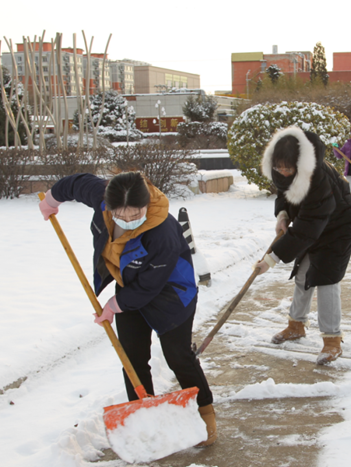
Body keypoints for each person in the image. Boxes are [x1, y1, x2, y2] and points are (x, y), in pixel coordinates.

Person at [38, 172, 217, 447]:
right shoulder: (105, 196)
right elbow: (74, 184)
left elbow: (150, 285)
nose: (129, 221)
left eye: (136, 215)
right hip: (130, 285)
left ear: (146, 204)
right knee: (131, 357)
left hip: (171, 293)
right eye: (121, 215)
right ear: (107, 204)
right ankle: (142, 416)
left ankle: (205, 413)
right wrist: (52, 200)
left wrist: (114, 305)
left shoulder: (163, 231)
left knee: (178, 355)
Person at [255, 126, 351, 365]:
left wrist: (271, 259)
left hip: (338, 227)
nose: (282, 171)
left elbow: (307, 227)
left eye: (287, 168)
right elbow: (284, 191)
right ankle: (296, 325)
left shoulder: (318, 179)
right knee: (303, 274)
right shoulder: (285, 168)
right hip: (313, 222)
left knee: (326, 280)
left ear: (300, 165)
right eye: (278, 167)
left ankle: (332, 340)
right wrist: (282, 214)